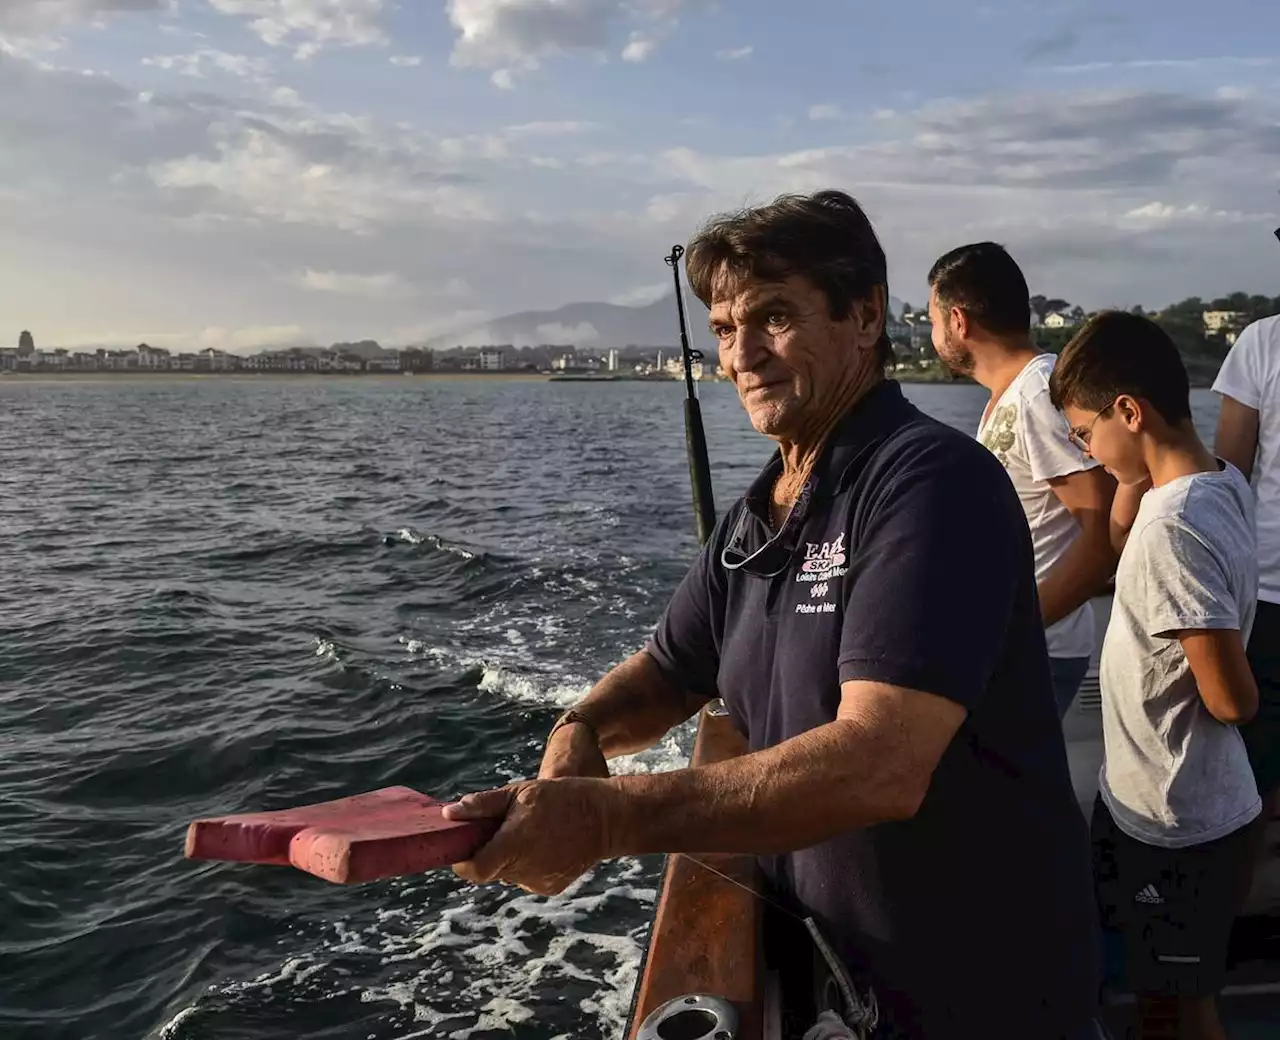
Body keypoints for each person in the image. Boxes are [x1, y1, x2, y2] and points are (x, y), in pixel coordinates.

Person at [444, 190, 1102, 1040]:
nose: (742, 354)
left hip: (984, 997)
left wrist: (609, 819)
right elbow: (671, 668)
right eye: (723, 328)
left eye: (775, 317)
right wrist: (584, 727)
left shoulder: (932, 483)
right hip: (841, 980)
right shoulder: (762, 512)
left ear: (865, 318)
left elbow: (881, 761)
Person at [1049, 311, 1260, 1040]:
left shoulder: (1174, 528)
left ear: (1129, 412)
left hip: (1182, 820)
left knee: (1180, 1010)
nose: (1082, 448)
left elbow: (1231, 699)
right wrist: (1125, 476)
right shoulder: (1222, 480)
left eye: (1083, 431)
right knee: (1155, 996)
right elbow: (1118, 541)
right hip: (1150, 801)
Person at [927, 242, 1117, 719]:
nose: (934, 335)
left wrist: (1020, 628)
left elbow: (1104, 534)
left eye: (932, 321)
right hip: (1013, 647)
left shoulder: (1038, 394)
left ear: (958, 321)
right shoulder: (1014, 395)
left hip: (1036, 652)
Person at [1212, 312, 1280, 902]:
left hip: (1268, 588)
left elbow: (1228, 471)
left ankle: (1229, 912)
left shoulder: (1265, 340)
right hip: (1268, 585)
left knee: (1254, 763)